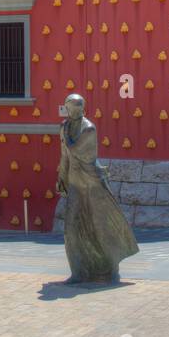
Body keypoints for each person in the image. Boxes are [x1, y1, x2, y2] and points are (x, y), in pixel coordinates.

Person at [55, 92, 138, 283]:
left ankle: (110, 267)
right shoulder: (64, 126)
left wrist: (65, 133)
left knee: (101, 226)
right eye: (70, 108)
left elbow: (74, 150)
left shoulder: (89, 128)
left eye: (77, 108)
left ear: (82, 108)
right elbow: (64, 155)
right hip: (75, 182)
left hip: (93, 183)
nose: (73, 112)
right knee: (72, 227)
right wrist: (61, 177)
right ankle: (78, 272)